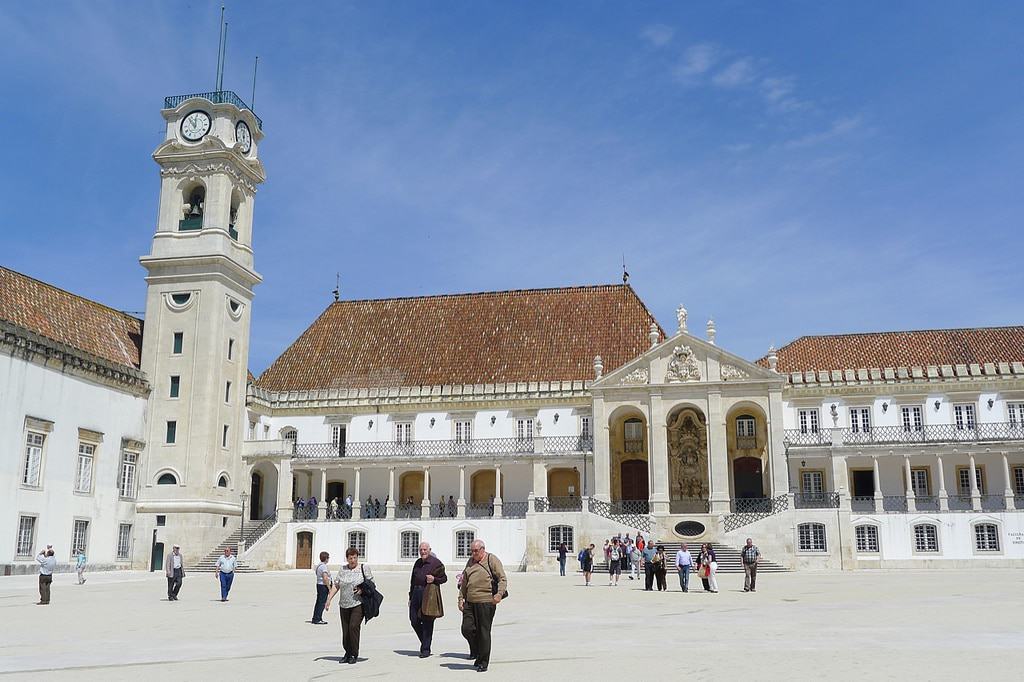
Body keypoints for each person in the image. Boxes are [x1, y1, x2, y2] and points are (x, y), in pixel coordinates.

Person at [459, 539, 506, 673]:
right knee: (466, 628)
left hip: (486, 602)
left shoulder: (491, 559)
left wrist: (499, 594)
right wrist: (460, 598)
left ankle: (483, 661)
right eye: (472, 551)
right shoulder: (470, 561)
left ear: (483, 549)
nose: (473, 553)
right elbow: (464, 581)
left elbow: (502, 578)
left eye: (476, 551)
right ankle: (478, 651)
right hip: (470, 601)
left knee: (484, 632)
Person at [325, 547, 373, 664]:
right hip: (344, 604)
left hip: (358, 603)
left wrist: (362, 590)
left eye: (355, 558)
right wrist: (329, 599)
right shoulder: (343, 569)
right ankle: (347, 652)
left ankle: (354, 654)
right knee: (346, 631)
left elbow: (371, 584)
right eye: (350, 558)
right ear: (347, 558)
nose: (353, 560)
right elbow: (336, 585)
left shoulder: (363, 568)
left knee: (353, 627)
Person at [409, 541, 447, 657]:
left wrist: (434, 579)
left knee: (427, 621)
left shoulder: (436, 563)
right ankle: (425, 642)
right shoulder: (418, 563)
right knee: (414, 620)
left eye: (425, 550)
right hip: (416, 592)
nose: (423, 552)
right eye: (421, 550)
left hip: (428, 593)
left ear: (429, 550)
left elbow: (444, 578)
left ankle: (425, 649)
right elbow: (412, 580)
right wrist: (410, 596)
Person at [312, 551, 331, 624]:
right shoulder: (323, 567)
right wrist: (329, 588)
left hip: (319, 585)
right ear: (326, 558)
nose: (328, 559)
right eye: (328, 558)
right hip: (323, 586)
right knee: (321, 603)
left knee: (318, 602)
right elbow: (325, 578)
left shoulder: (319, 565)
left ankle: (316, 617)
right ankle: (318, 618)